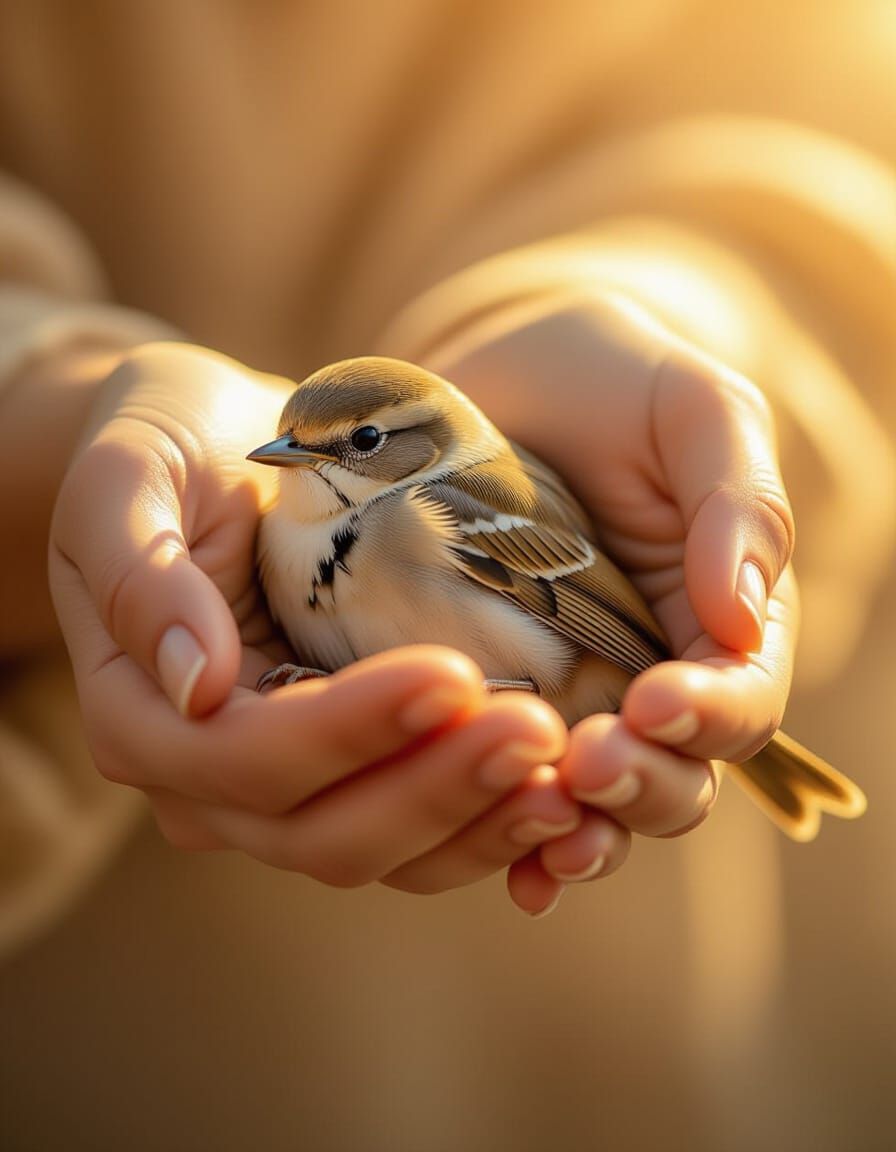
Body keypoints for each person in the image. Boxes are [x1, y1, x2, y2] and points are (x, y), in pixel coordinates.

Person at [1, 4, 895, 1149]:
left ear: (419, 452)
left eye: (355, 447)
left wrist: (691, 320)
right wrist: (51, 436)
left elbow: (830, 129)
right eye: (293, 446)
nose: (297, 468)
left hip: (647, 1050)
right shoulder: (283, 515)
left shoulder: (436, 513)